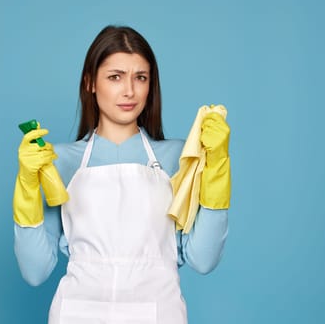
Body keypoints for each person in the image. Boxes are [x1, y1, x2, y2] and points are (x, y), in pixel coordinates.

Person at [13, 25, 231, 324]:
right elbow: (35, 272)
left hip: (158, 313)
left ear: (150, 85)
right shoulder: (60, 161)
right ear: (90, 82)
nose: (129, 90)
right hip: (78, 314)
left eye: (140, 78)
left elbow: (203, 260)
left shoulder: (178, 158)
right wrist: (26, 185)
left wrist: (217, 166)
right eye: (115, 77)